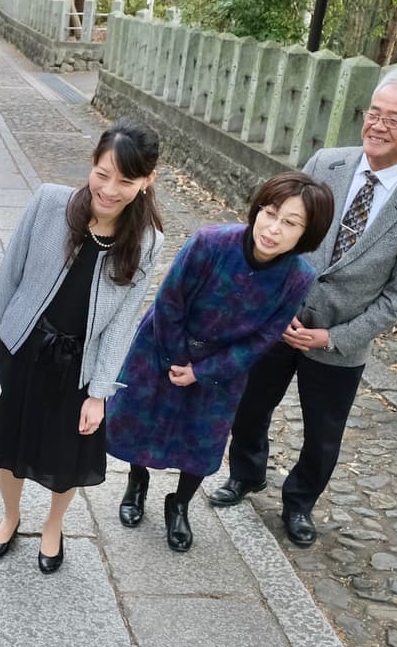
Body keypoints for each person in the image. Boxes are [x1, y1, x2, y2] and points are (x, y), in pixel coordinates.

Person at [210, 67, 397, 547]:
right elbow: (282, 233)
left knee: (322, 436)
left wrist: (334, 337)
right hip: (279, 321)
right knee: (250, 406)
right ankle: (246, 474)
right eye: (374, 114)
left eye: (395, 119)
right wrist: (270, 303)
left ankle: (298, 503)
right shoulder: (326, 165)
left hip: (340, 341)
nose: (379, 126)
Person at [106, 173, 335, 552]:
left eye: (290, 223)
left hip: (221, 368)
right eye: (271, 213)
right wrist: (178, 360)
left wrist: (202, 372)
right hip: (163, 345)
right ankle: (136, 483)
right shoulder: (210, 243)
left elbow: (263, 338)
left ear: (307, 234)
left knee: (202, 440)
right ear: (258, 208)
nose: (274, 229)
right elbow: (169, 302)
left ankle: (179, 504)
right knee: (140, 421)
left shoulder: (297, 278)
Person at [0, 119, 165, 574]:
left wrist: (99, 392)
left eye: (125, 180)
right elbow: (11, 272)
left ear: (147, 181)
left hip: (78, 364)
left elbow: (123, 322)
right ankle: (10, 515)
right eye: (103, 174)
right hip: (22, 347)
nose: (110, 189)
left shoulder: (147, 241)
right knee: (9, 440)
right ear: (92, 165)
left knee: (67, 455)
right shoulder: (49, 202)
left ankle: (53, 526)